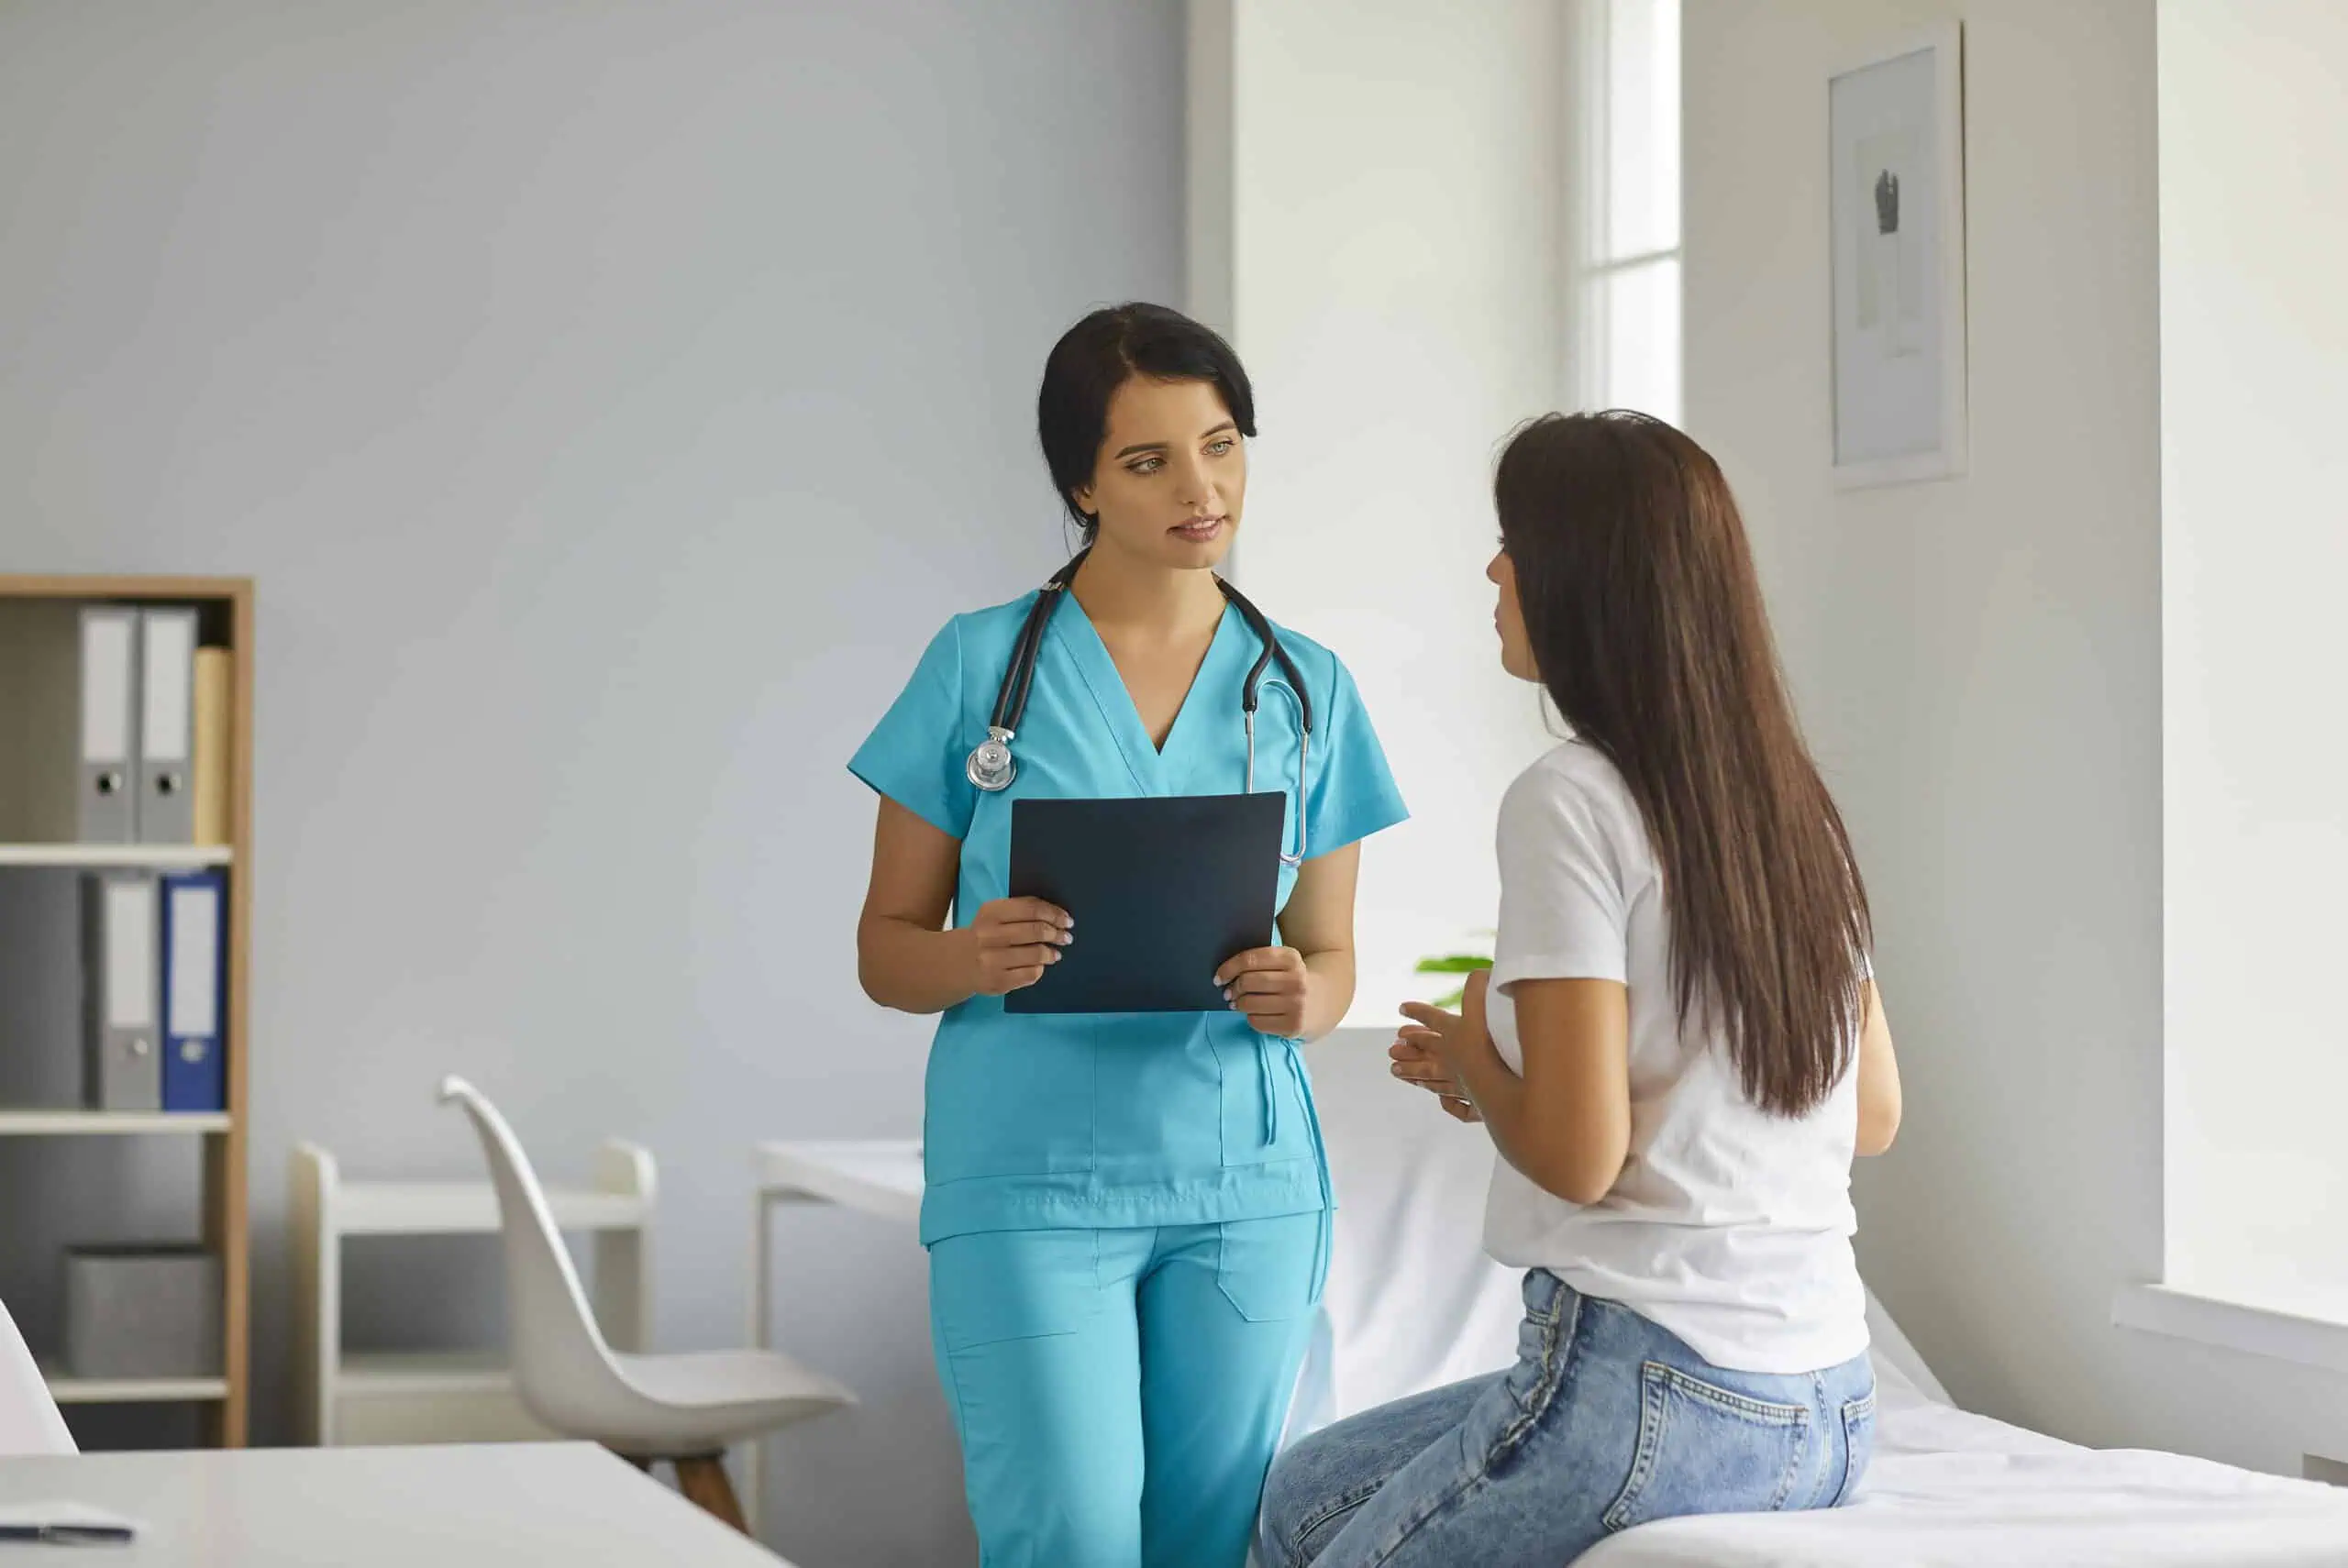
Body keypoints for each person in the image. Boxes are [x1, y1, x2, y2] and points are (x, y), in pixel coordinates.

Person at [1257, 411, 1903, 1568]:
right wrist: (1506, 1078)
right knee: (1303, 1494)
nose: (1495, 570)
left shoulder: (1569, 798)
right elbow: (1868, 1114)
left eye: (1514, 542)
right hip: (1829, 1402)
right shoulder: (1790, 804)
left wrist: (1474, 1059)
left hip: (1653, 1382)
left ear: (1587, 580)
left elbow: (1575, 1158)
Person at [851, 303, 1408, 1568]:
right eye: (1150, 460)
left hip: (1246, 1185)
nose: (1200, 488)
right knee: (1071, 1538)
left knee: (1213, 1546)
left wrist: (1298, 995)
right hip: (1032, 1184)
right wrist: (970, 954)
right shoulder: (977, 666)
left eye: (1222, 445)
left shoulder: (1307, 683)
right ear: (1081, 482)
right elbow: (887, 947)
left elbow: (1334, 958)